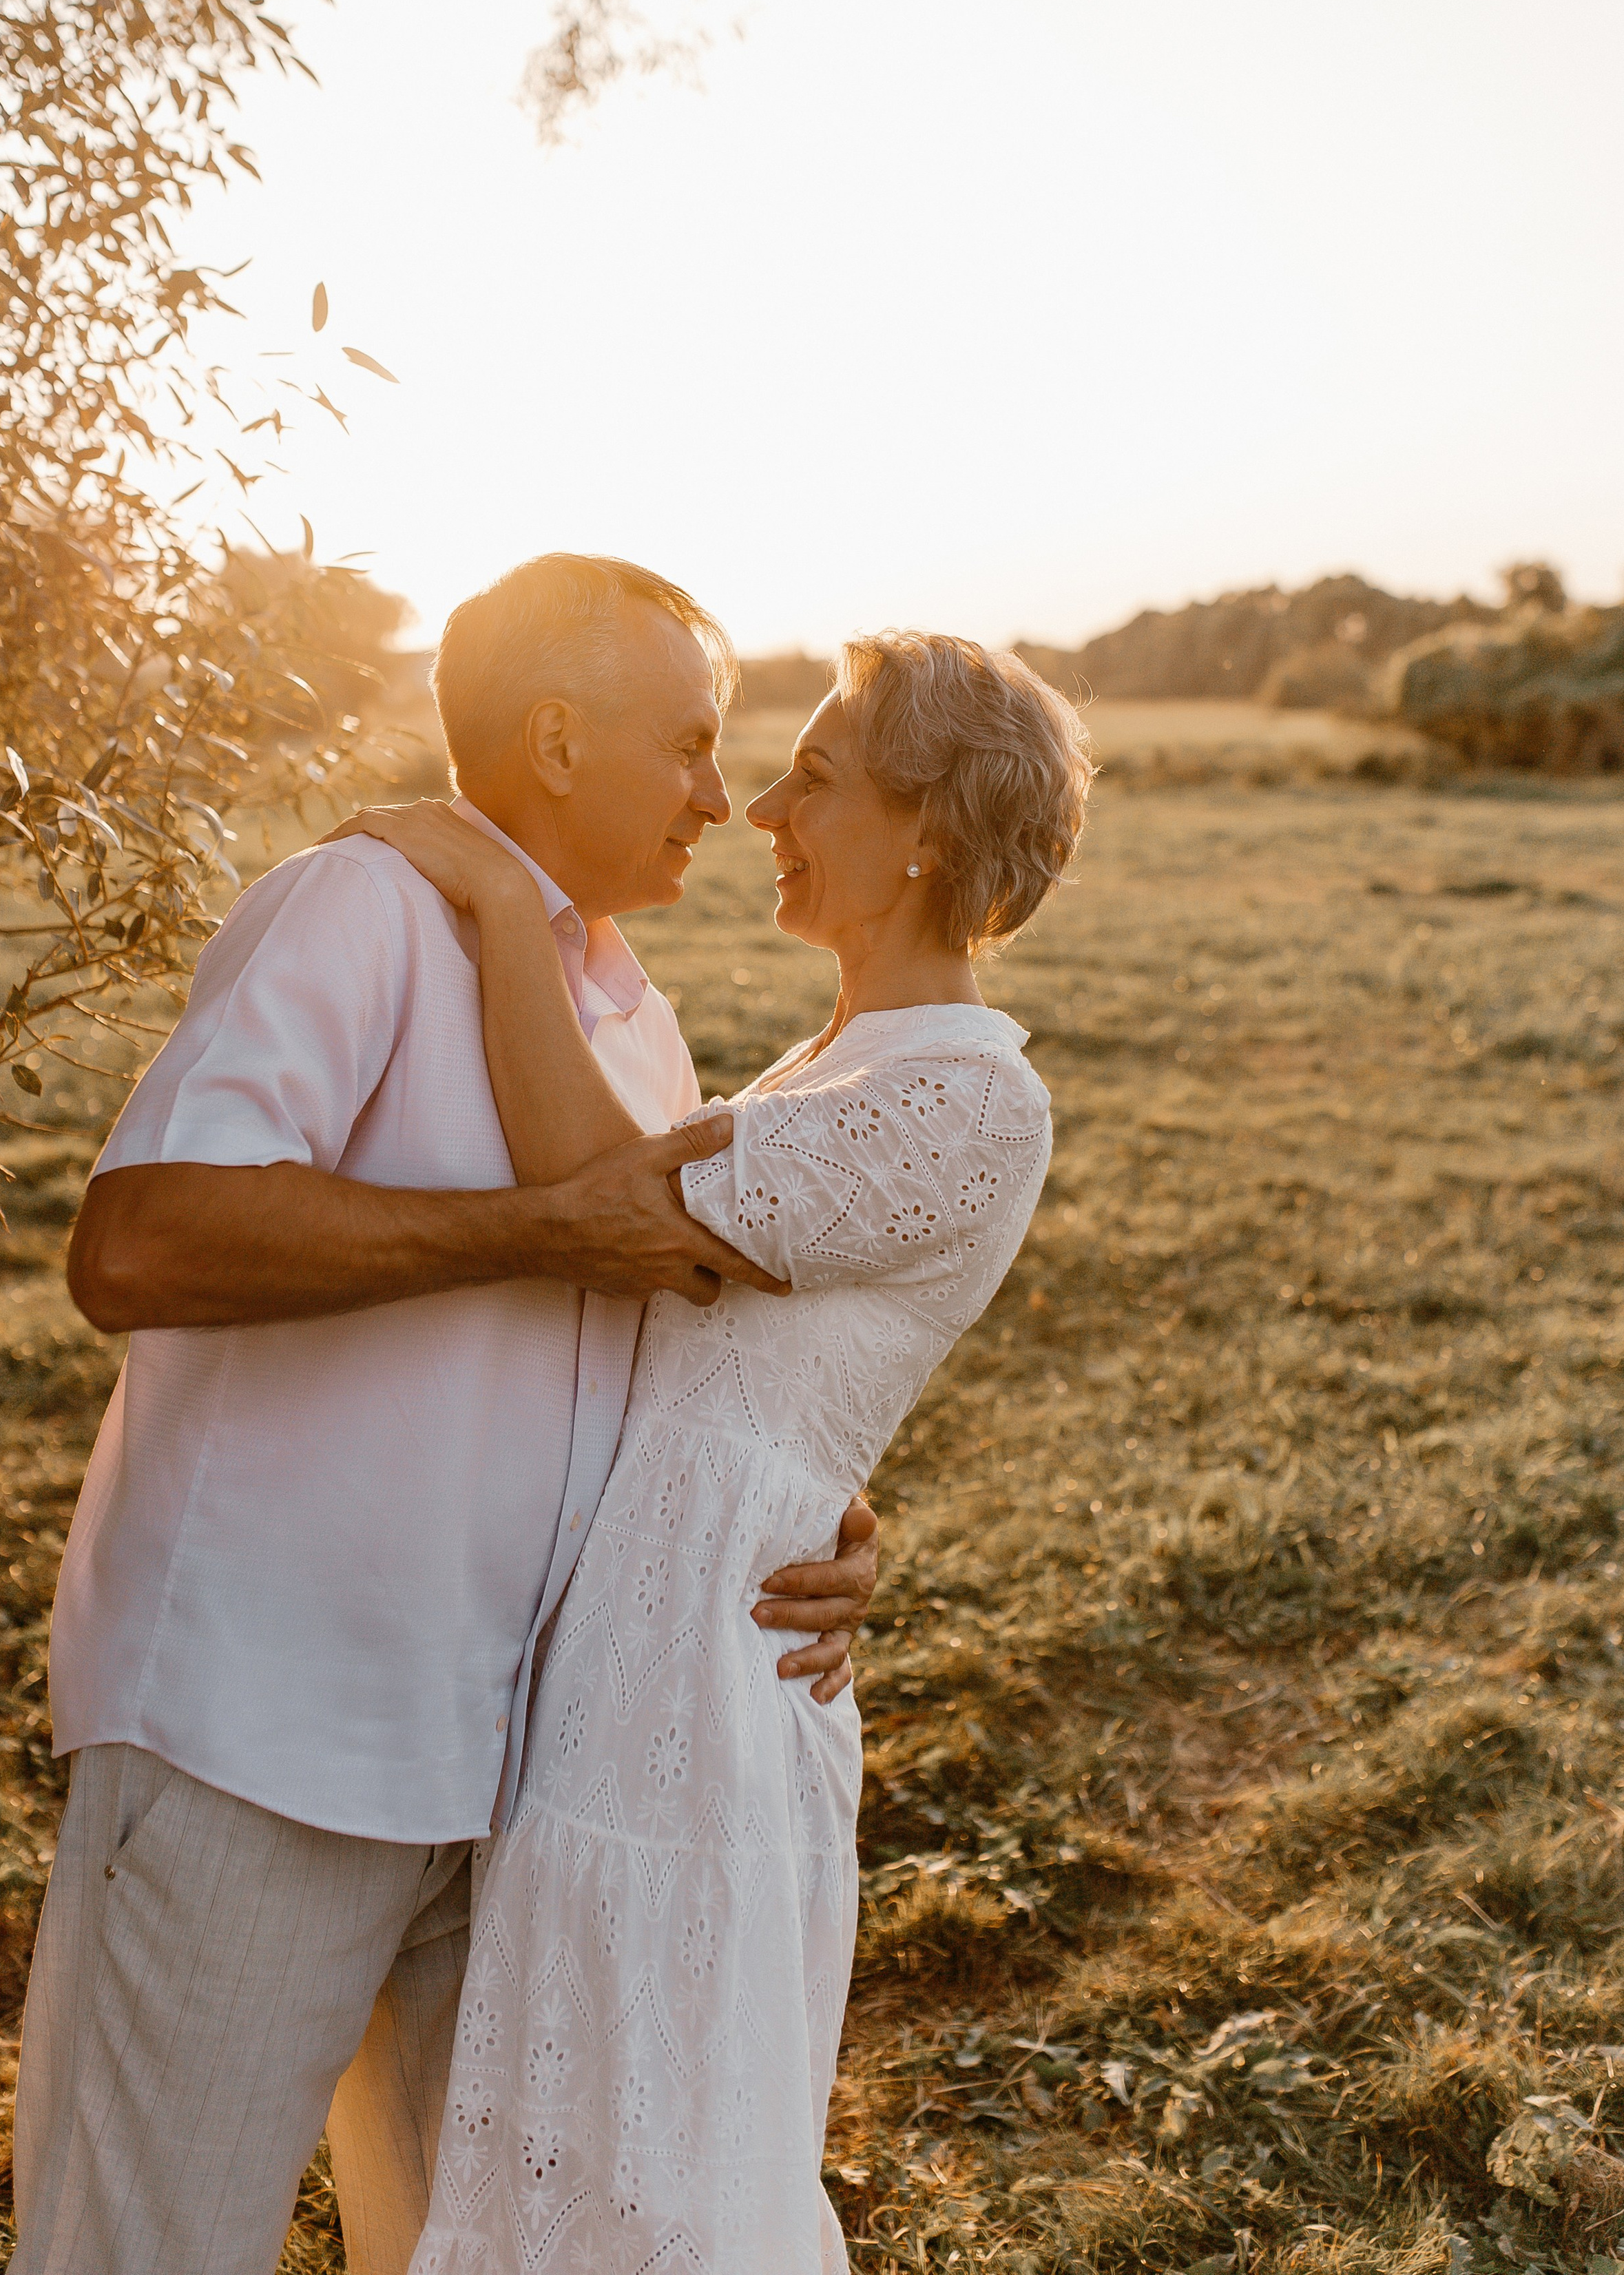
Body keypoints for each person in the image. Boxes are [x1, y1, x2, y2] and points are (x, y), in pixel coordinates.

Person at [10, 557, 882, 2275]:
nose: (720, 796)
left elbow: (654, 1336)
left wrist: (814, 1516)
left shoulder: (632, 1015)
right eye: (689, 745)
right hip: (261, 1748)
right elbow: (138, 1240)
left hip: (518, 1786)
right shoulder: (357, 908)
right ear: (554, 741)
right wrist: (528, 1231)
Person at [331, 625, 1091, 2275]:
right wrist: (833, 1499)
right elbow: (729, 1360)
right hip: (636, 1634)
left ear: (926, 831)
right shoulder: (847, 1060)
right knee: (552, 2144)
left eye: (812, 776)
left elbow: (606, 1212)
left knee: (652, 2170)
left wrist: (498, 898)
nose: (757, 809)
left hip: (697, 1681)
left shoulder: (970, 1103)